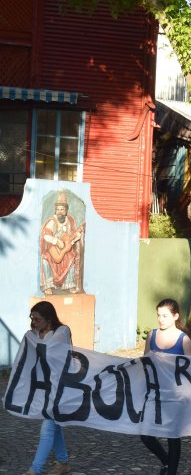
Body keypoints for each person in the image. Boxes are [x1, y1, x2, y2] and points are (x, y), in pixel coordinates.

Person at [141, 299, 191, 475]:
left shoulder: (183, 339)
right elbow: (145, 362)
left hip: (175, 394)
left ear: (175, 316)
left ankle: (171, 471)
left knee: (172, 435)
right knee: (145, 434)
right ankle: (165, 462)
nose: (160, 319)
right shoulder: (151, 335)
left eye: (165, 315)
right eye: (158, 315)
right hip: (154, 392)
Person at [25, 301, 72, 475]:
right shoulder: (36, 333)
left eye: (37, 319)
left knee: (47, 428)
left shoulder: (62, 331)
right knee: (55, 426)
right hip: (45, 387)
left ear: (49, 318)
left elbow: (49, 350)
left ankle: (34, 470)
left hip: (61, 387)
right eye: (32, 318)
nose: (34, 322)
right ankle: (63, 462)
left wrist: (33, 339)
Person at [40, 190, 84, 295]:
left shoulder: (69, 221)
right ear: (55, 211)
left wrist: (76, 238)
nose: (60, 211)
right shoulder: (52, 222)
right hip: (53, 248)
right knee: (46, 259)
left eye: (62, 209)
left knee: (71, 257)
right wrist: (56, 241)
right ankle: (48, 286)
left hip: (63, 249)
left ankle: (68, 285)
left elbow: (69, 238)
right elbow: (46, 236)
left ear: (66, 211)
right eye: (58, 209)